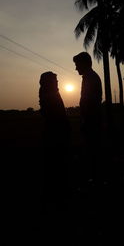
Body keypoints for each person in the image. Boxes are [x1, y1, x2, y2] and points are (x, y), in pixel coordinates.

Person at [39, 71, 71, 211]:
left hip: (55, 134)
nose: (58, 83)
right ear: (50, 82)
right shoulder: (49, 94)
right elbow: (55, 116)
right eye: (55, 80)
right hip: (55, 135)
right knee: (56, 164)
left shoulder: (48, 92)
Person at [73, 52, 103, 183]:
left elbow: (88, 102)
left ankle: (94, 180)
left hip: (92, 122)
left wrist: (85, 120)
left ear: (84, 63)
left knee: (92, 153)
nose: (76, 68)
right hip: (92, 121)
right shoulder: (90, 77)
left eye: (77, 65)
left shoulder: (90, 78)